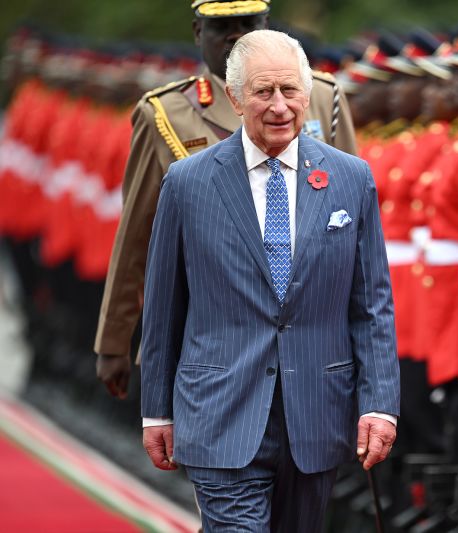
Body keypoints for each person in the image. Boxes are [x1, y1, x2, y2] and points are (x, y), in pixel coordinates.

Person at [139, 30, 400, 531]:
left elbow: (372, 305)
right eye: (263, 92)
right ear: (235, 98)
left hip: (316, 415)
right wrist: (156, 410)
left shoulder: (350, 178)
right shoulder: (188, 183)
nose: (279, 106)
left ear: (308, 94)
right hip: (220, 412)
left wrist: (380, 404)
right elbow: (164, 308)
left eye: (290, 90)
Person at [94, 0, 357, 398]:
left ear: (267, 25)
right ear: (199, 33)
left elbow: (354, 220)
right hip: (209, 330)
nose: (236, 36)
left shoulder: (320, 95)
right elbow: (137, 234)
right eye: (222, 28)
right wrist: (114, 339)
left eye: (247, 24)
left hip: (309, 327)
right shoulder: (167, 112)